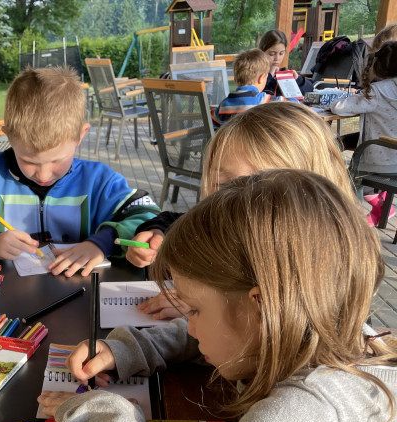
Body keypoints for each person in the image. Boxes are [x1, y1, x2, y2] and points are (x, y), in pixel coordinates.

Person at [37, 169, 397, 422]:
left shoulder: (311, 414)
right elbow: (211, 334)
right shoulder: (325, 332)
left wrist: (98, 413)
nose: (188, 324)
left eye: (193, 310)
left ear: (260, 308)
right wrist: (131, 348)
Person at [0, 66, 159, 278]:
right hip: (7, 299)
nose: (43, 175)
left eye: (57, 160)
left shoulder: (99, 181)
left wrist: (102, 243)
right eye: (28, 160)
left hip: (82, 296)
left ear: (80, 136)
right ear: (8, 136)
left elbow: (149, 217)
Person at [125, 101, 353, 307]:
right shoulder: (218, 225)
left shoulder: (319, 271)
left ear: (308, 196)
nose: (231, 200)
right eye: (222, 184)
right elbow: (175, 221)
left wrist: (200, 309)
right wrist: (157, 233)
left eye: (257, 189)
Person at [332, 40, 397, 179]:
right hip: (394, 162)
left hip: (378, 163)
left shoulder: (376, 92)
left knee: (333, 145)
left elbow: (339, 107)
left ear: (377, 66)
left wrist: (334, 99)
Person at [211, 49, 293, 127]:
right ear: (261, 78)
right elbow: (293, 105)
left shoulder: (223, 105)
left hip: (231, 137)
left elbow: (212, 120)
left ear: (235, 79)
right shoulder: (264, 100)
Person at [259, 29, 314, 97]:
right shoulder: (254, 74)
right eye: (272, 54)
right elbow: (254, 92)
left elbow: (311, 90)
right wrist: (269, 76)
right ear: (262, 52)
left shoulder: (283, 73)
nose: (277, 58)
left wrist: (298, 80)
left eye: (281, 53)